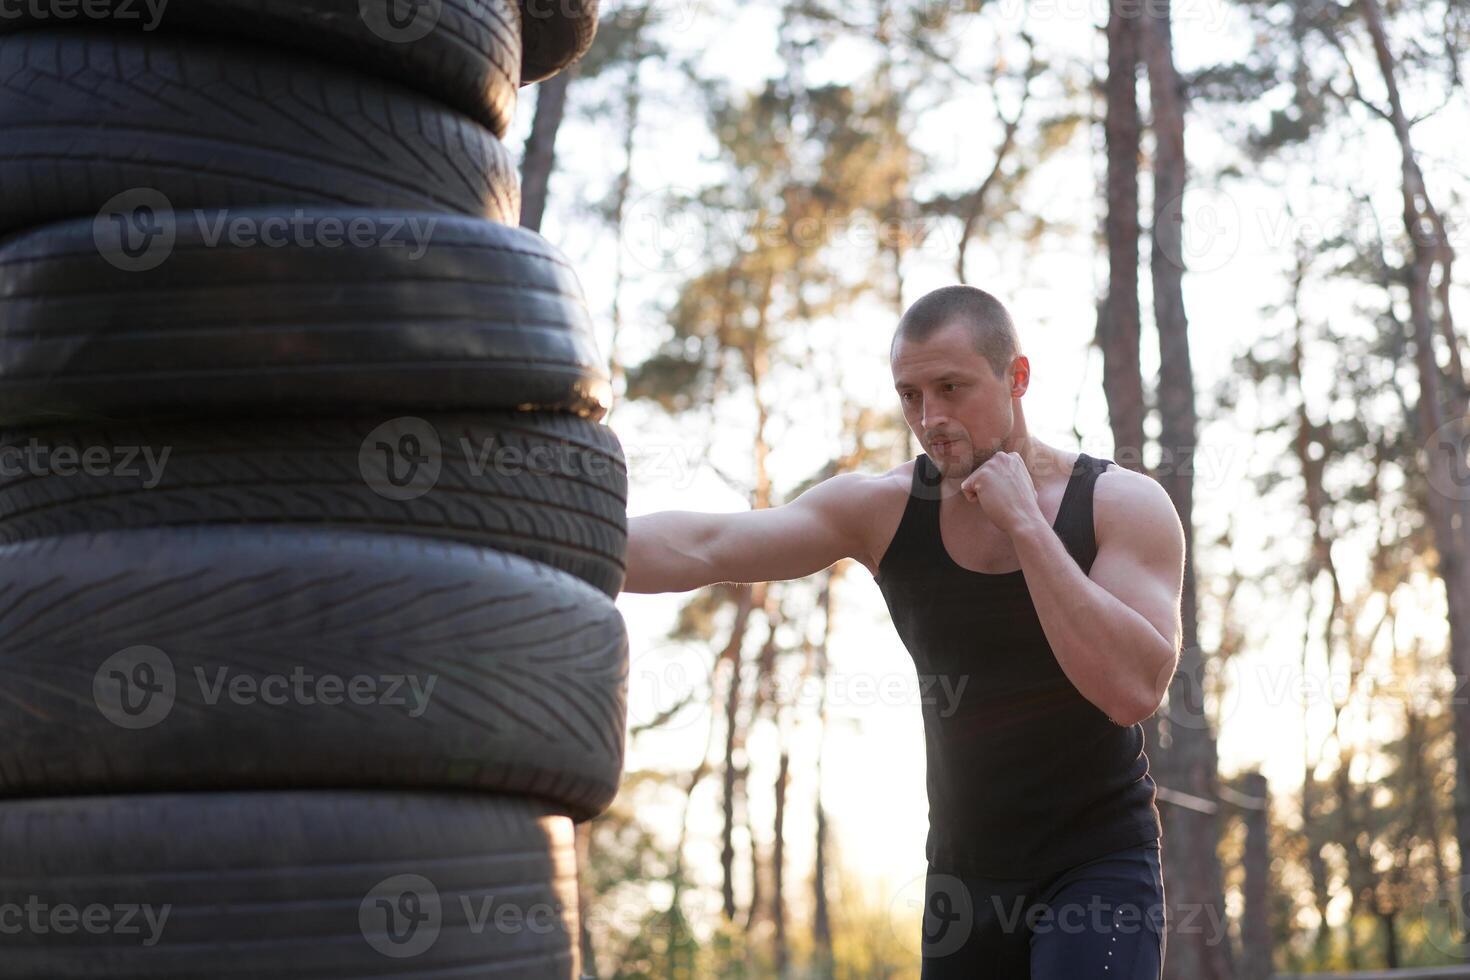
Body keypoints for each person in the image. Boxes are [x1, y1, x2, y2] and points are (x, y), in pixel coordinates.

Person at [623, 284, 1182, 978]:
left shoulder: (1119, 504)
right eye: (911, 396)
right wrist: (542, 536)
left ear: (1018, 377)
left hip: (1098, 865)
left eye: (952, 387)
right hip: (963, 877)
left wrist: (1026, 524)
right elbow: (707, 544)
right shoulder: (883, 509)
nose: (931, 418)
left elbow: (1130, 689)